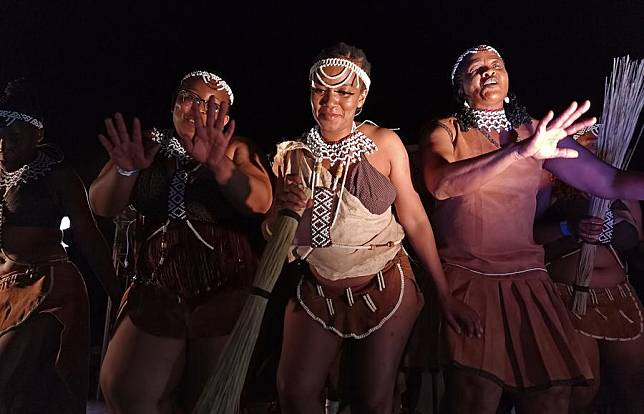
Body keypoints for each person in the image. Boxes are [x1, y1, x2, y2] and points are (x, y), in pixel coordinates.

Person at [421, 44, 644, 413]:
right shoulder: (446, 130)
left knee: (552, 396)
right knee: (476, 396)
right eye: (475, 68)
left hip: (527, 280)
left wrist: (526, 145)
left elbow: (612, 184)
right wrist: (518, 152)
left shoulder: (532, 132)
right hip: (468, 275)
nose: (488, 71)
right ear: (461, 86)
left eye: (496, 64)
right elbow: (441, 184)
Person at [267, 42, 479, 414]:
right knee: (295, 392)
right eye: (321, 90)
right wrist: (279, 215)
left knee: (375, 401)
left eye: (345, 92)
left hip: (383, 282)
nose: (331, 101)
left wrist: (444, 295)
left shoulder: (383, 143)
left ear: (361, 96)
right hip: (318, 286)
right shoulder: (293, 153)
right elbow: (272, 232)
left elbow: (413, 217)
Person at [90, 71, 272, 413]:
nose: (195, 109)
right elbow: (101, 205)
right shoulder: (148, 144)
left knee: (208, 400)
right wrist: (126, 171)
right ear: (174, 103)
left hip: (223, 285)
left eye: (211, 105)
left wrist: (219, 163)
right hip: (159, 283)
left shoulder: (237, 147)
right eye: (189, 97)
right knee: (125, 389)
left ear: (226, 117)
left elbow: (260, 202)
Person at [0, 79, 120, 413]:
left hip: (48, 292)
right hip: (3, 291)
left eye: (15, 137)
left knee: (9, 376)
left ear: (38, 134)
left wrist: (118, 293)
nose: (4, 144)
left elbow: (88, 235)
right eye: (0, 135)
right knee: (22, 395)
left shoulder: (59, 177)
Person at [535, 128, 644, 413]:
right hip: (570, 297)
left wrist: (618, 219)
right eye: (586, 142)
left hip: (618, 296)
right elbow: (530, 236)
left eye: (597, 142)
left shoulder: (620, 187)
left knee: (635, 385)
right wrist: (568, 228)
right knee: (584, 387)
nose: (592, 147)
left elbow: (637, 239)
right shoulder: (550, 187)